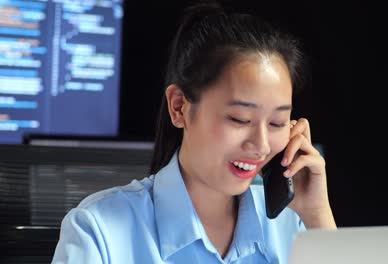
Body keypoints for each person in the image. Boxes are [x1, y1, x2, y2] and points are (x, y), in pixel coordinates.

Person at [52, 1, 336, 263]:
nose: (261, 145)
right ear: (179, 107)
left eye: (276, 123)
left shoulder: (291, 226)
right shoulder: (98, 230)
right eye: (239, 119)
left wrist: (316, 215)